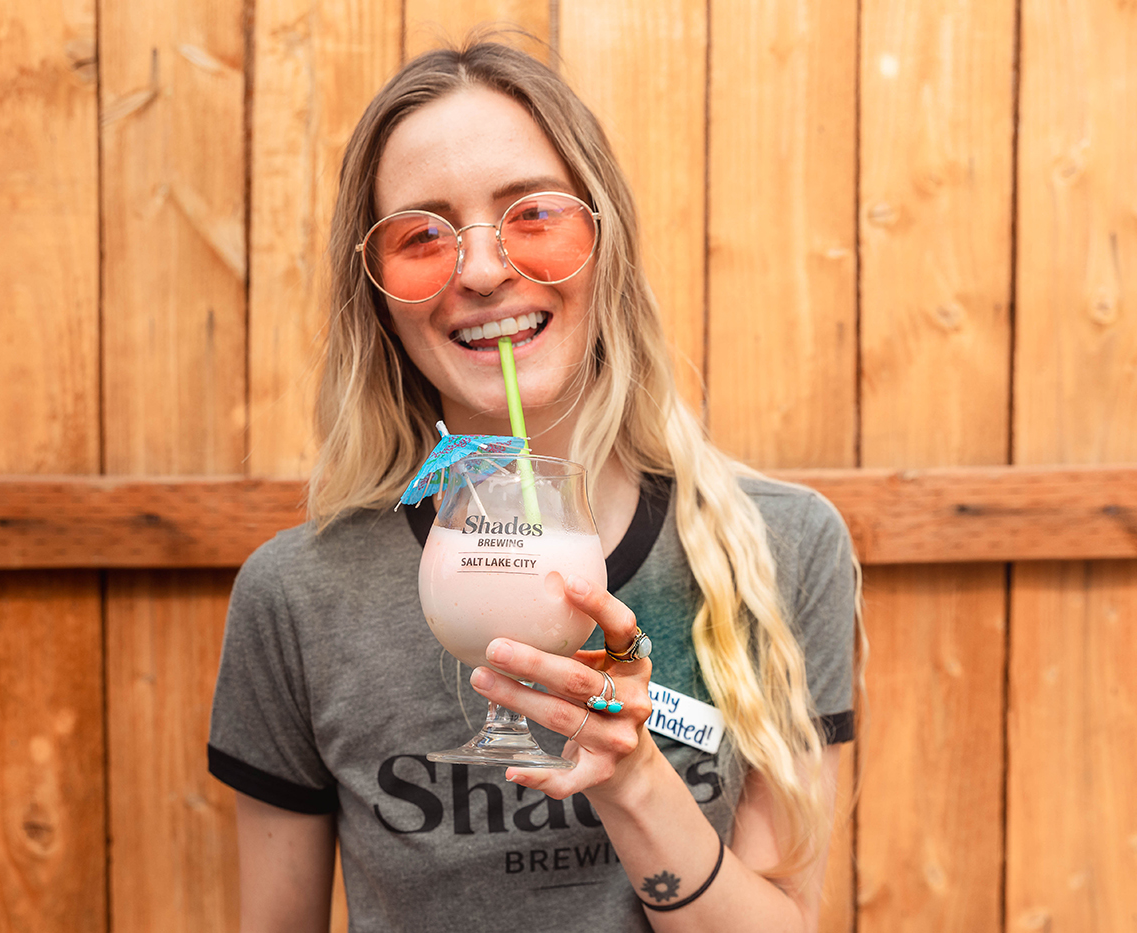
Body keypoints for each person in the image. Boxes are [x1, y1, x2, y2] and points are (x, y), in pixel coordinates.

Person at [209, 36, 862, 933]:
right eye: (422, 236)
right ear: (380, 295)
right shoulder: (300, 597)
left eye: (532, 216)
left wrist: (635, 778)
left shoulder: (782, 549)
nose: (479, 271)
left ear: (607, 243)